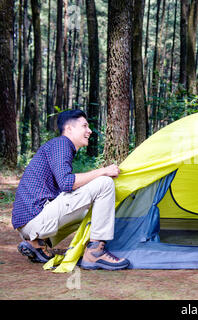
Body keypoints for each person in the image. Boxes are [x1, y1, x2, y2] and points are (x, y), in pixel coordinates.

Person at [12, 109, 130, 270]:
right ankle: (95, 252)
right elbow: (67, 183)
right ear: (69, 129)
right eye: (84, 126)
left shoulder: (56, 147)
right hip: (35, 219)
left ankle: (37, 244)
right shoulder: (62, 144)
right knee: (104, 183)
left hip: (29, 223)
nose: (89, 131)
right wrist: (103, 171)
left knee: (89, 211)